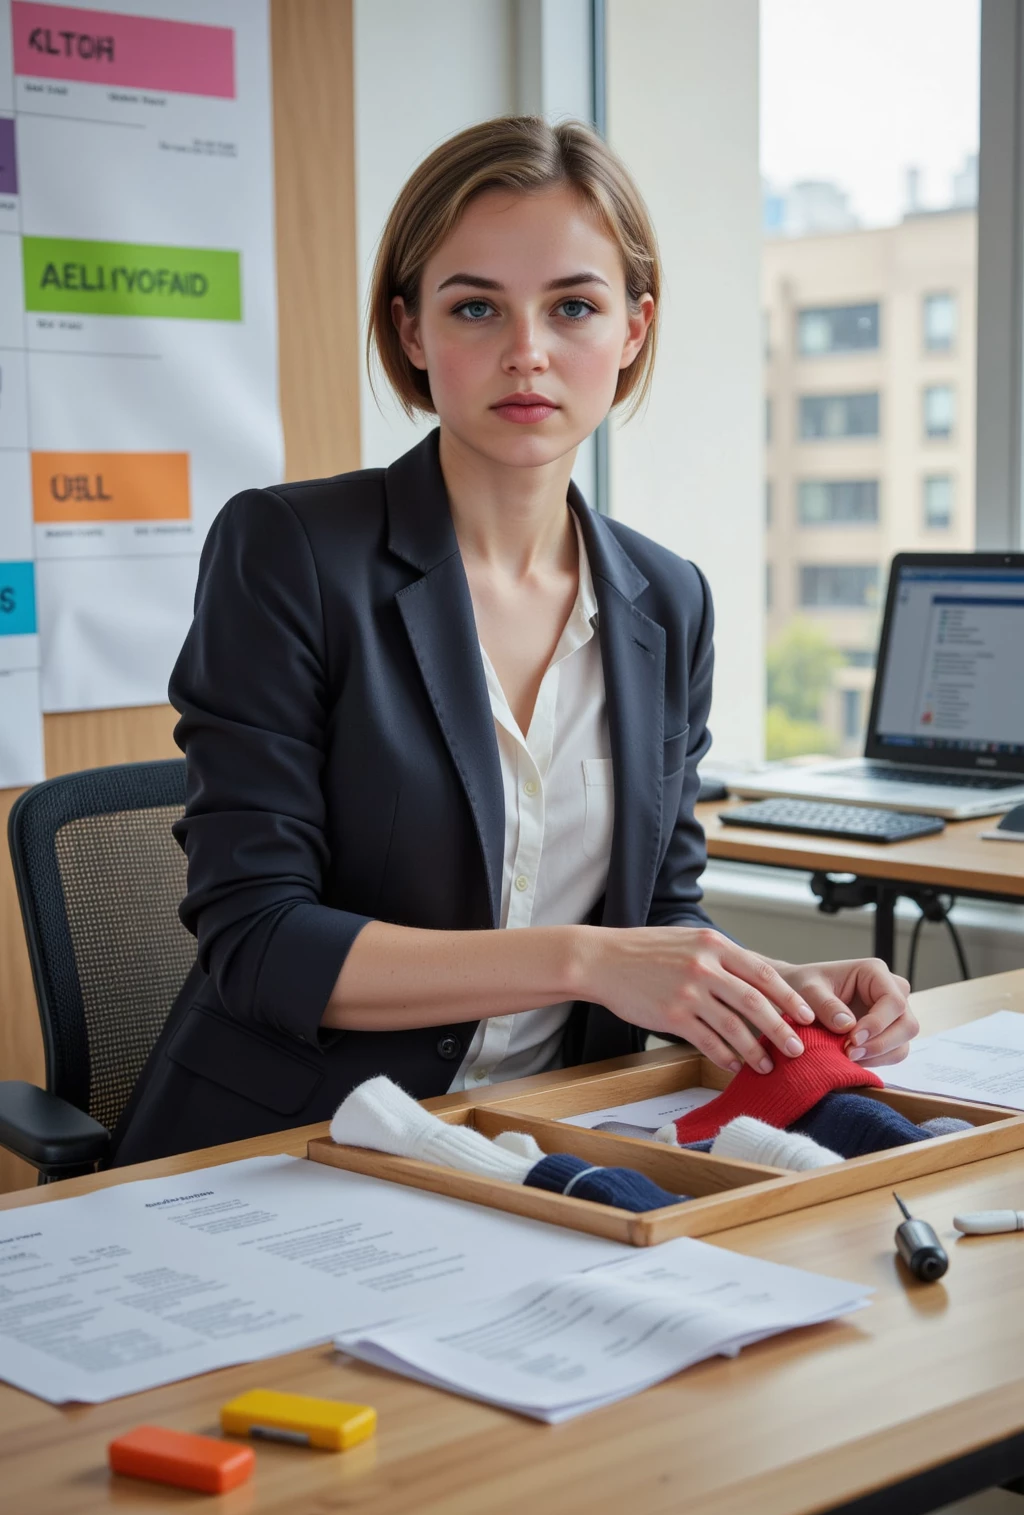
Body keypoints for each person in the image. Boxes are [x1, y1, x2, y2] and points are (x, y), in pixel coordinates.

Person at [111, 116, 917, 1166]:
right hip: (295, 1143)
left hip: (547, 1142)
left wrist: (762, 990)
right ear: (411, 332)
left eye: (573, 305)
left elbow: (656, 916)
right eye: (476, 306)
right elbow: (259, 942)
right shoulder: (292, 552)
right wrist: (581, 962)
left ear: (632, 330)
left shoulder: (668, 602)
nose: (526, 352)